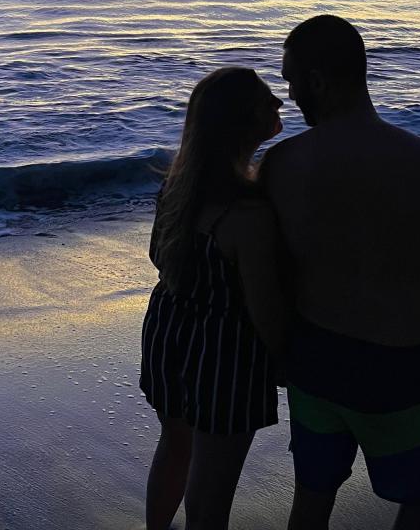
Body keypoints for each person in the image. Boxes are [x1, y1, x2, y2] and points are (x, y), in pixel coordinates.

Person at [260, 16, 420, 530]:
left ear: (317, 80)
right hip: (398, 365)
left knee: (311, 497)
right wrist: (408, 338)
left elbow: (271, 277)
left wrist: (286, 350)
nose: (289, 96)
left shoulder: (282, 164)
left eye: (291, 81)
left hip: (313, 363)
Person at [140, 67, 290, 530]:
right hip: (227, 350)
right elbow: (266, 311)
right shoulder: (248, 213)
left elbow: (157, 256)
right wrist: (291, 363)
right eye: (268, 100)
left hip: (169, 330)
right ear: (241, 122)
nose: (280, 104)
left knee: (175, 445)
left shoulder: (177, 187)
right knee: (212, 486)